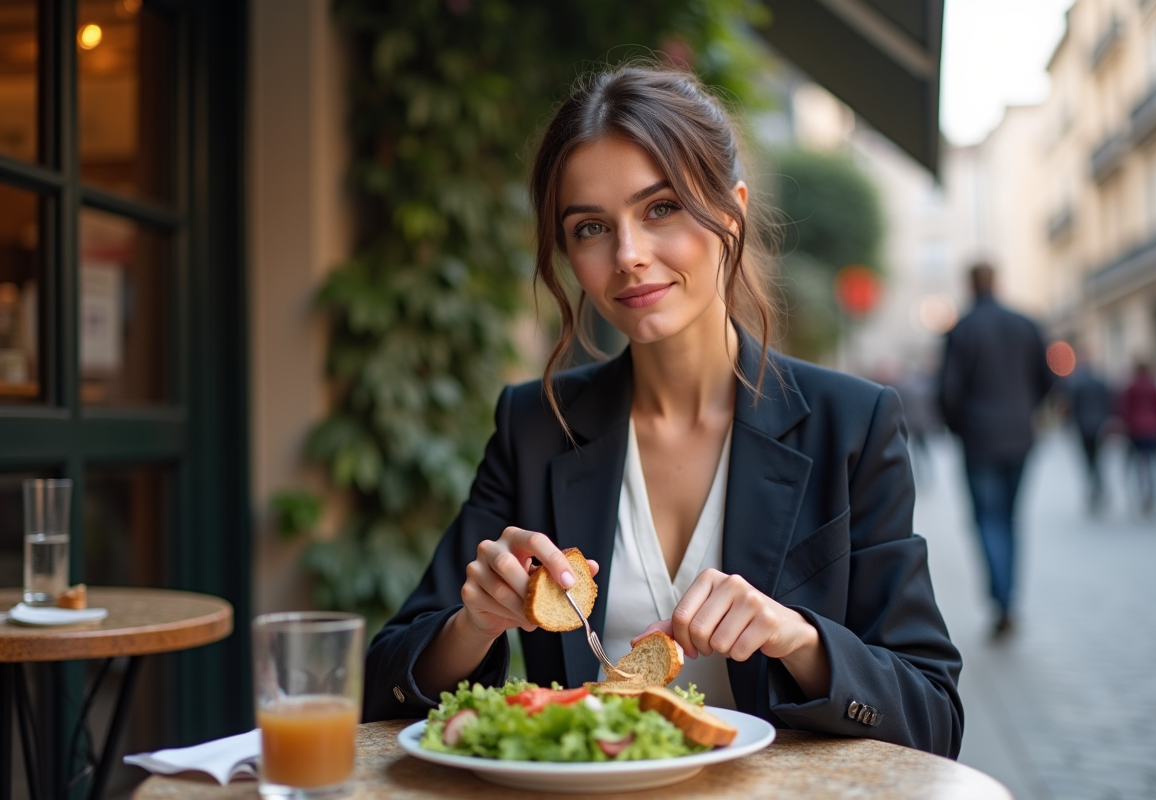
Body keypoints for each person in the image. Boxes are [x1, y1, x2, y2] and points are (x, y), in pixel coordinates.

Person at [363, 65, 963, 757]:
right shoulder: (536, 425)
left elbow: (933, 718)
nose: (628, 256)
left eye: (661, 209)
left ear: (731, 210)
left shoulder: (852, 424)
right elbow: (384, 687)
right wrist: (474, 622)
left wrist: (798, 639)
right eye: (590, 227)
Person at [938, 263, 1055, 638]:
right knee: (1010, 518)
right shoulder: (1026, 324)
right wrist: (1025, 412)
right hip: (1020, 436)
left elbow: (948, 391)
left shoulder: (963, 328)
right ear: (997, 283)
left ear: (970, 285)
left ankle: (1000, 600)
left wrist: (959, 427)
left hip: (978, 438)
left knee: (988, 520)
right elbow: (1048, 381)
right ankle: (1009, 599)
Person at [1117, 360, 1156, 515]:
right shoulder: (1153, 386)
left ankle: (1141, 493)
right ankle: (1153, 493)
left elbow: (1125, 409)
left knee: (1138, 464)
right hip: (1153, 429)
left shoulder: (1131, 387)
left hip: (1136, 430)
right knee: (1153, 463)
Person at [1064, 356, 1111, 512]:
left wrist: (1070, 426)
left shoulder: (1077, 384)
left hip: (1084, 427)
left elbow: (1072, 408)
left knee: (1088, 460)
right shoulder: (1100, 383)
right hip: (1099, 426)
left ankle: (1093, 488)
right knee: (1099, 459)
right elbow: (1109, 403)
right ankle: (1099, 486)